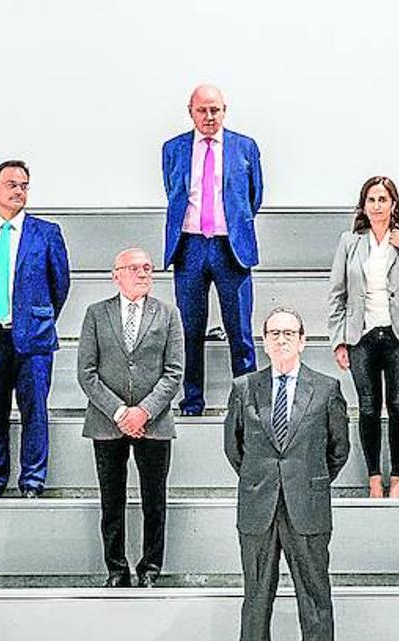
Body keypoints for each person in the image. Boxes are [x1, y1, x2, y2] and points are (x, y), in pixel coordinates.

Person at [223, 307, 350, 641]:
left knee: (314, 596)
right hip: (258, 506)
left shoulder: (326, 389)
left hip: (307, 506)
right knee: (256, 596)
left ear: (303, 339)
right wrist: (265, 480)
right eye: (274, 332)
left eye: (289, 332)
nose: (281, 339)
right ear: (264, 340)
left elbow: (338, 449)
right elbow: (234, 448)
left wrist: (307, 481)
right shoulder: (244, 388)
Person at [328, 176, 399, 498]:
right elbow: (337, 294)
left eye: (383, 199)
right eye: (371, 200)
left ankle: (398, 479)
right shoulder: (350, 241)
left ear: (394, 203)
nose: (377, 205)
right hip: (361, 336)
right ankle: (374, 478)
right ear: (363, 205)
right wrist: (339, 339)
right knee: (367, 408)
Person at [0, 160, 70, 498]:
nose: (19, 190)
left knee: (34, 411)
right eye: (11, 184)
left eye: (24, 185)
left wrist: (37, 317)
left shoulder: (46, 232)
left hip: (33, 339)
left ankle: (33, 480)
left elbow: (60, 285)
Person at [77, 248, 184, 587]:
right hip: (107, 423)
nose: (143, 273)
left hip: (154, 423)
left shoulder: (168, 314)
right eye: (134, 268)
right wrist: (120, 412)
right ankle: (116, 569)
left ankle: (151, 568)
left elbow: (174, 371)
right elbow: (86, 371)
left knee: (155, 501)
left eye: (148, 268)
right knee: (112, 502)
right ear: (116, 274)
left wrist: (144, 412)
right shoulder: (96, 314)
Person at [162, 83, 263, 416]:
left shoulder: (245, 147)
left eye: (215, 110)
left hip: (229, 246)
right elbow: (173, 192)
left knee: (240, 331)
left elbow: (254, 196)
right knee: (189, 329)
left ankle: (247, 405)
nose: (209, 116)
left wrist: (231, 225)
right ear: (190, 111)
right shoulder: (173, 148)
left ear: (224, 110)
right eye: (202, 110)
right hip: (189, 246)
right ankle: (192, 400)